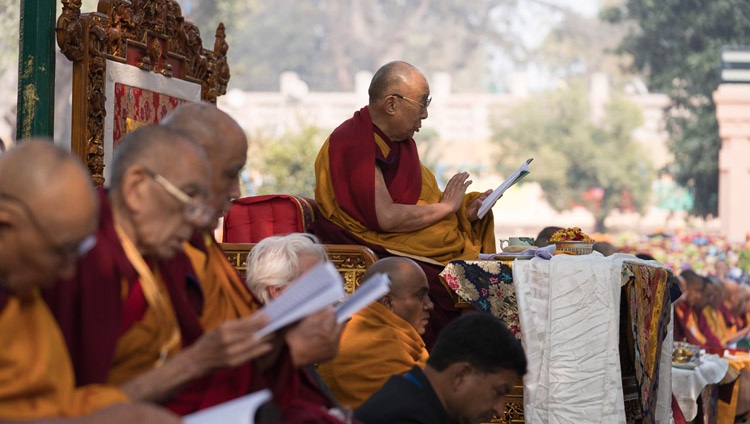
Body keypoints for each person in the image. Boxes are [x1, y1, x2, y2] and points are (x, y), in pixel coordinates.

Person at [43, 126, 275, 414]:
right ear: (136, 188)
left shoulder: (162, 255)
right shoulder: (84, 263)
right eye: (189, 197)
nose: (196, 222)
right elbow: (61, 411)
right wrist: (196, 361)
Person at [314, 60, 496, 346]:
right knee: (445, 281)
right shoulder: (353, 142)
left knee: (476, 273)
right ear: (391, 104)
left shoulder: (399, 144)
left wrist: (465, 212)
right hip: (373, 244)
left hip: (402, 242)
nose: (424, 115)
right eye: (422, 104)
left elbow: (423, 202)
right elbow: (384, 217)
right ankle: (445, 364)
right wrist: (448, 208)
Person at [0, 140, 180, 423]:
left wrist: (125, 410)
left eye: (79, 251)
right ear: (6, 223)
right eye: (62, 251)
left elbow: (54, 401)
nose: (69, 273)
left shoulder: (23, 295)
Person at [160, 102, 343, 373]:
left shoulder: (204, 249)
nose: (236, 191)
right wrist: (292, 352)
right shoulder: (124, 258)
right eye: (228, 174)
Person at [245, 233, 350, 423]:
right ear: (278, 291)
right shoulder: (257, 351)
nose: (330, 297)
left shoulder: (303, 341)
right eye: (316, 284)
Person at [355, 312, 527, 424]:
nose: (500, 411)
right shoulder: (404, 417)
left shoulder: (415, 396)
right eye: (498, 392)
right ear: (461, 375)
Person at [318, 257, 433, 409]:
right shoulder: (366, 345)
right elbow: (419, 406)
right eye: (420, 296)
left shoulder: (399, 338)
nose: (429, 305)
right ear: (388, 303)